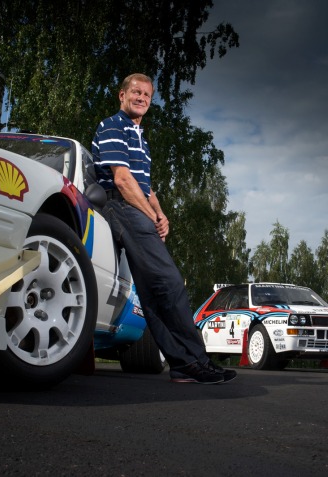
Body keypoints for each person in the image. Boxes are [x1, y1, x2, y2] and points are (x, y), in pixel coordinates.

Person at [91, 73, 236, 384]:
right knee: (170, 283)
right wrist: (149, 215)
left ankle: (183, 365)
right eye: (136, 92)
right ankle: (197, 361)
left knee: (153, 295)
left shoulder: (140, 138)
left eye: (147, 94)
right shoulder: (113, 126)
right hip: (119, 206)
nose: (142, 98)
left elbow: (146, 187)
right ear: (122, 95)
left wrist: (160, 214)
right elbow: (122, 180)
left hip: (134, 207)